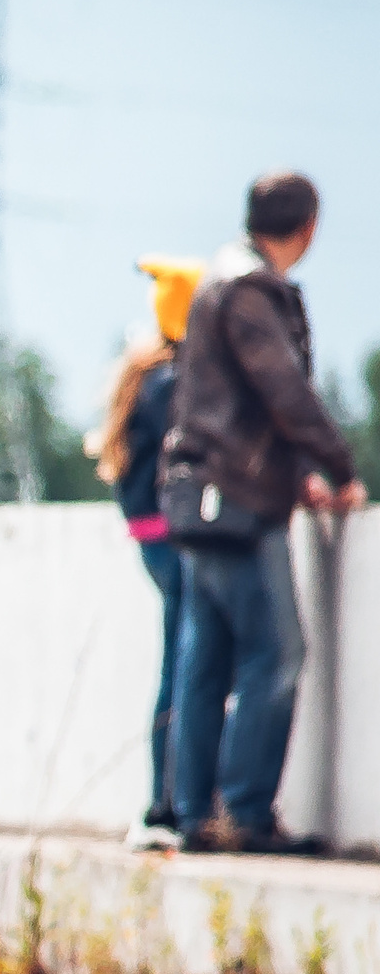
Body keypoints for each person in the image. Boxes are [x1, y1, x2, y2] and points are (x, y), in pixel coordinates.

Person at [160, 172, 364, 854]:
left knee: (204, 663)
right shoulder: (250, 290)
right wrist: (338, 465)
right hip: (237, 502)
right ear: (308, 227)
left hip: (200, 496)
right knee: (276, 656)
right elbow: (283, 390)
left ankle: (194, 812)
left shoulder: (218, 281)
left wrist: (298, 473)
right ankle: (244, 813)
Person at [87, 255, 200, 850]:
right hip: (176, 541)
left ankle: (169, 800)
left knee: (181, 662)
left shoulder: (148, 376)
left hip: (153, 538)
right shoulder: (172, 384)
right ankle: (165, 803)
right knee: (185, 668)